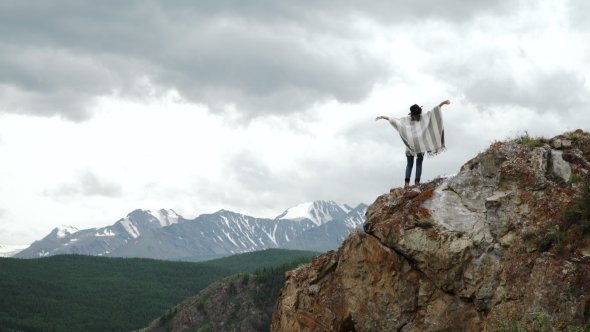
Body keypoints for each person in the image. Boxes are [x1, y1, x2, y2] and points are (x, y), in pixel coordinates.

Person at [376, 100, 450, 188]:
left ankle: (410, 182)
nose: (415, 116)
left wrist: (443, 103)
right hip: (414, 146)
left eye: (415, 114)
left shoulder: (413, 118)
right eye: (414, 114)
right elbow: (394, 120)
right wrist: (382, 117)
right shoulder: (414, 118)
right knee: (414, 164)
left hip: (416, 146)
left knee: (411, 164)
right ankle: (414, 182)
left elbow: (433, 111)